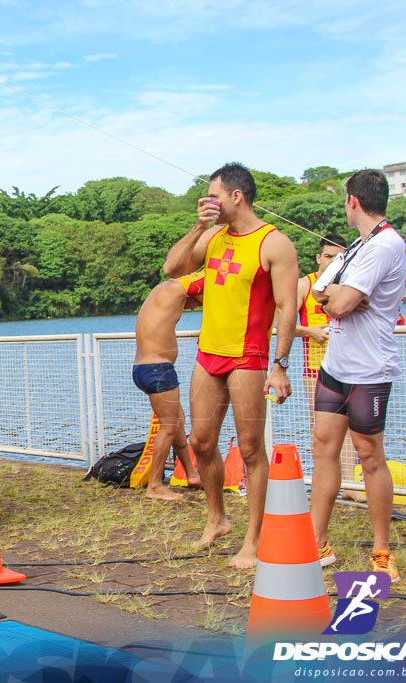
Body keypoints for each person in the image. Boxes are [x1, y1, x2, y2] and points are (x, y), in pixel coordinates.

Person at [163, 162, 298, 569]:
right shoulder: (213, 237)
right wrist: (196, 227)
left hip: (250, 356)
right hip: (209, 354)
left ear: (236, 196)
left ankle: (254, 540)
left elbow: (288, 308)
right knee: (201, 442)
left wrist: (280, 363)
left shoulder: (274, 244)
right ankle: (217, 517)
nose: (209, 201)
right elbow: (172, 269)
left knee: (252, 449)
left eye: (214, 195)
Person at [310, 169, 406, 581]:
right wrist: (340, 298)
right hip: (335, 366)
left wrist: (341, 299)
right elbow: (320, 294)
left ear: (353, 201)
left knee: (369, 456)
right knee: (323, 449)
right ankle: (316, 543)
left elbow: (337, 305)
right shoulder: (356, 246)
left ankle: (382, 550)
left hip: (369, 369)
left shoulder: (386, 245)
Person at [296, 235, 362, 503]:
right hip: (315, 369)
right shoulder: (304, 284)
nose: (333, 261)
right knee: (321, 429)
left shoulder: (350, 285)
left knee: (352, 427)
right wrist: (310, 331)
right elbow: (282, 326)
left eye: (339, 257)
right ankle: (323, 483)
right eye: (327, 256)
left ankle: (349, 483)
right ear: (318, 257)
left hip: (351, 366)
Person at [132, 271, 204, 501]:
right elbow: (214, 277)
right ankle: (154, 486)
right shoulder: (178, 289)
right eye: (196, 302)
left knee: (177, 423)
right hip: (157, 369)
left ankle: (192, 475)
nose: (192, 309)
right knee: (170, 427)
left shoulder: (161, 290)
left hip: (143, 369)